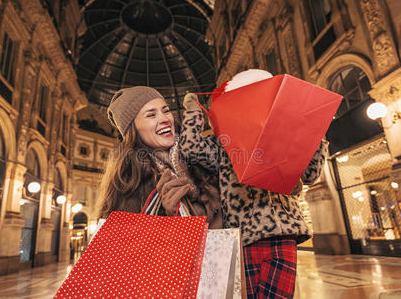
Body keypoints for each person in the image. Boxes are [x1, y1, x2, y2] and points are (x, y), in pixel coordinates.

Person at [179, 92, 329, 299]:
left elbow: (311, 174)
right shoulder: (225, 144)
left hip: (283, 235)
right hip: (244, 238)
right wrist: (194, 112)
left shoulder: (283, 136)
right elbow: (191, 149)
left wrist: (317, 132)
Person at [97, 86, 222, 229]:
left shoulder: (203, 154)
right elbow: (126, 243)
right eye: (151, 115)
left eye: (166, 111)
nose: (165, 119)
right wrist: (167, 216)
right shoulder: (126, 182)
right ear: (133, 129)